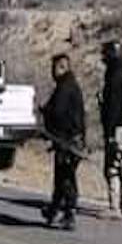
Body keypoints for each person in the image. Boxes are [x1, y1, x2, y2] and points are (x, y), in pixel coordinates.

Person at [41, 53, 86, 230]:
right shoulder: (70, 86)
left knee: (66, 177)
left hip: (67, 141)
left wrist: (46, 114)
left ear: (61, 67)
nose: (52, 72)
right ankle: (53, 210)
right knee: (61, 177)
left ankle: (69, 213)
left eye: (54, 68)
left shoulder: (65, 88)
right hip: (72, 139)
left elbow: (58, 113)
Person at [99, 40, 122, 219]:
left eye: (105, 54)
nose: (102, 58)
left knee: (112, 166)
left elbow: (113, 106)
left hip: (117, 127)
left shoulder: (114, 75)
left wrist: (110, 132)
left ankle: (114, 207)